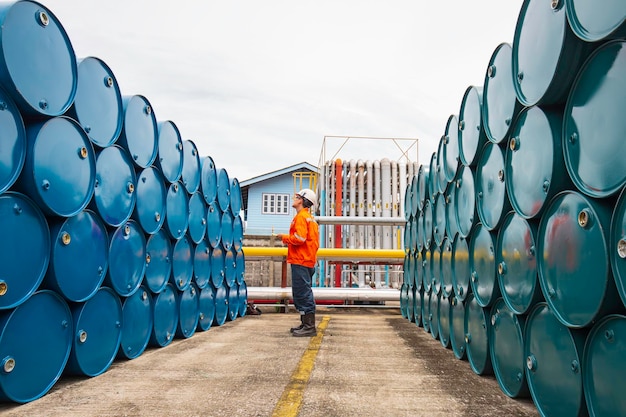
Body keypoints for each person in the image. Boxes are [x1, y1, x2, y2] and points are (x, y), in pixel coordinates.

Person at [276, 188, 319, 337]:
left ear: (302, 200)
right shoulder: (309, 218)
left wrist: (284, 237)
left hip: (301, 259)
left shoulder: (301, 217)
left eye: (297, 197)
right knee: (302, 292)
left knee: (303, 293)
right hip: (306, 259)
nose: (294, 198)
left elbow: (300, 238)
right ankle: (305, 323)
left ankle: (309, 326)